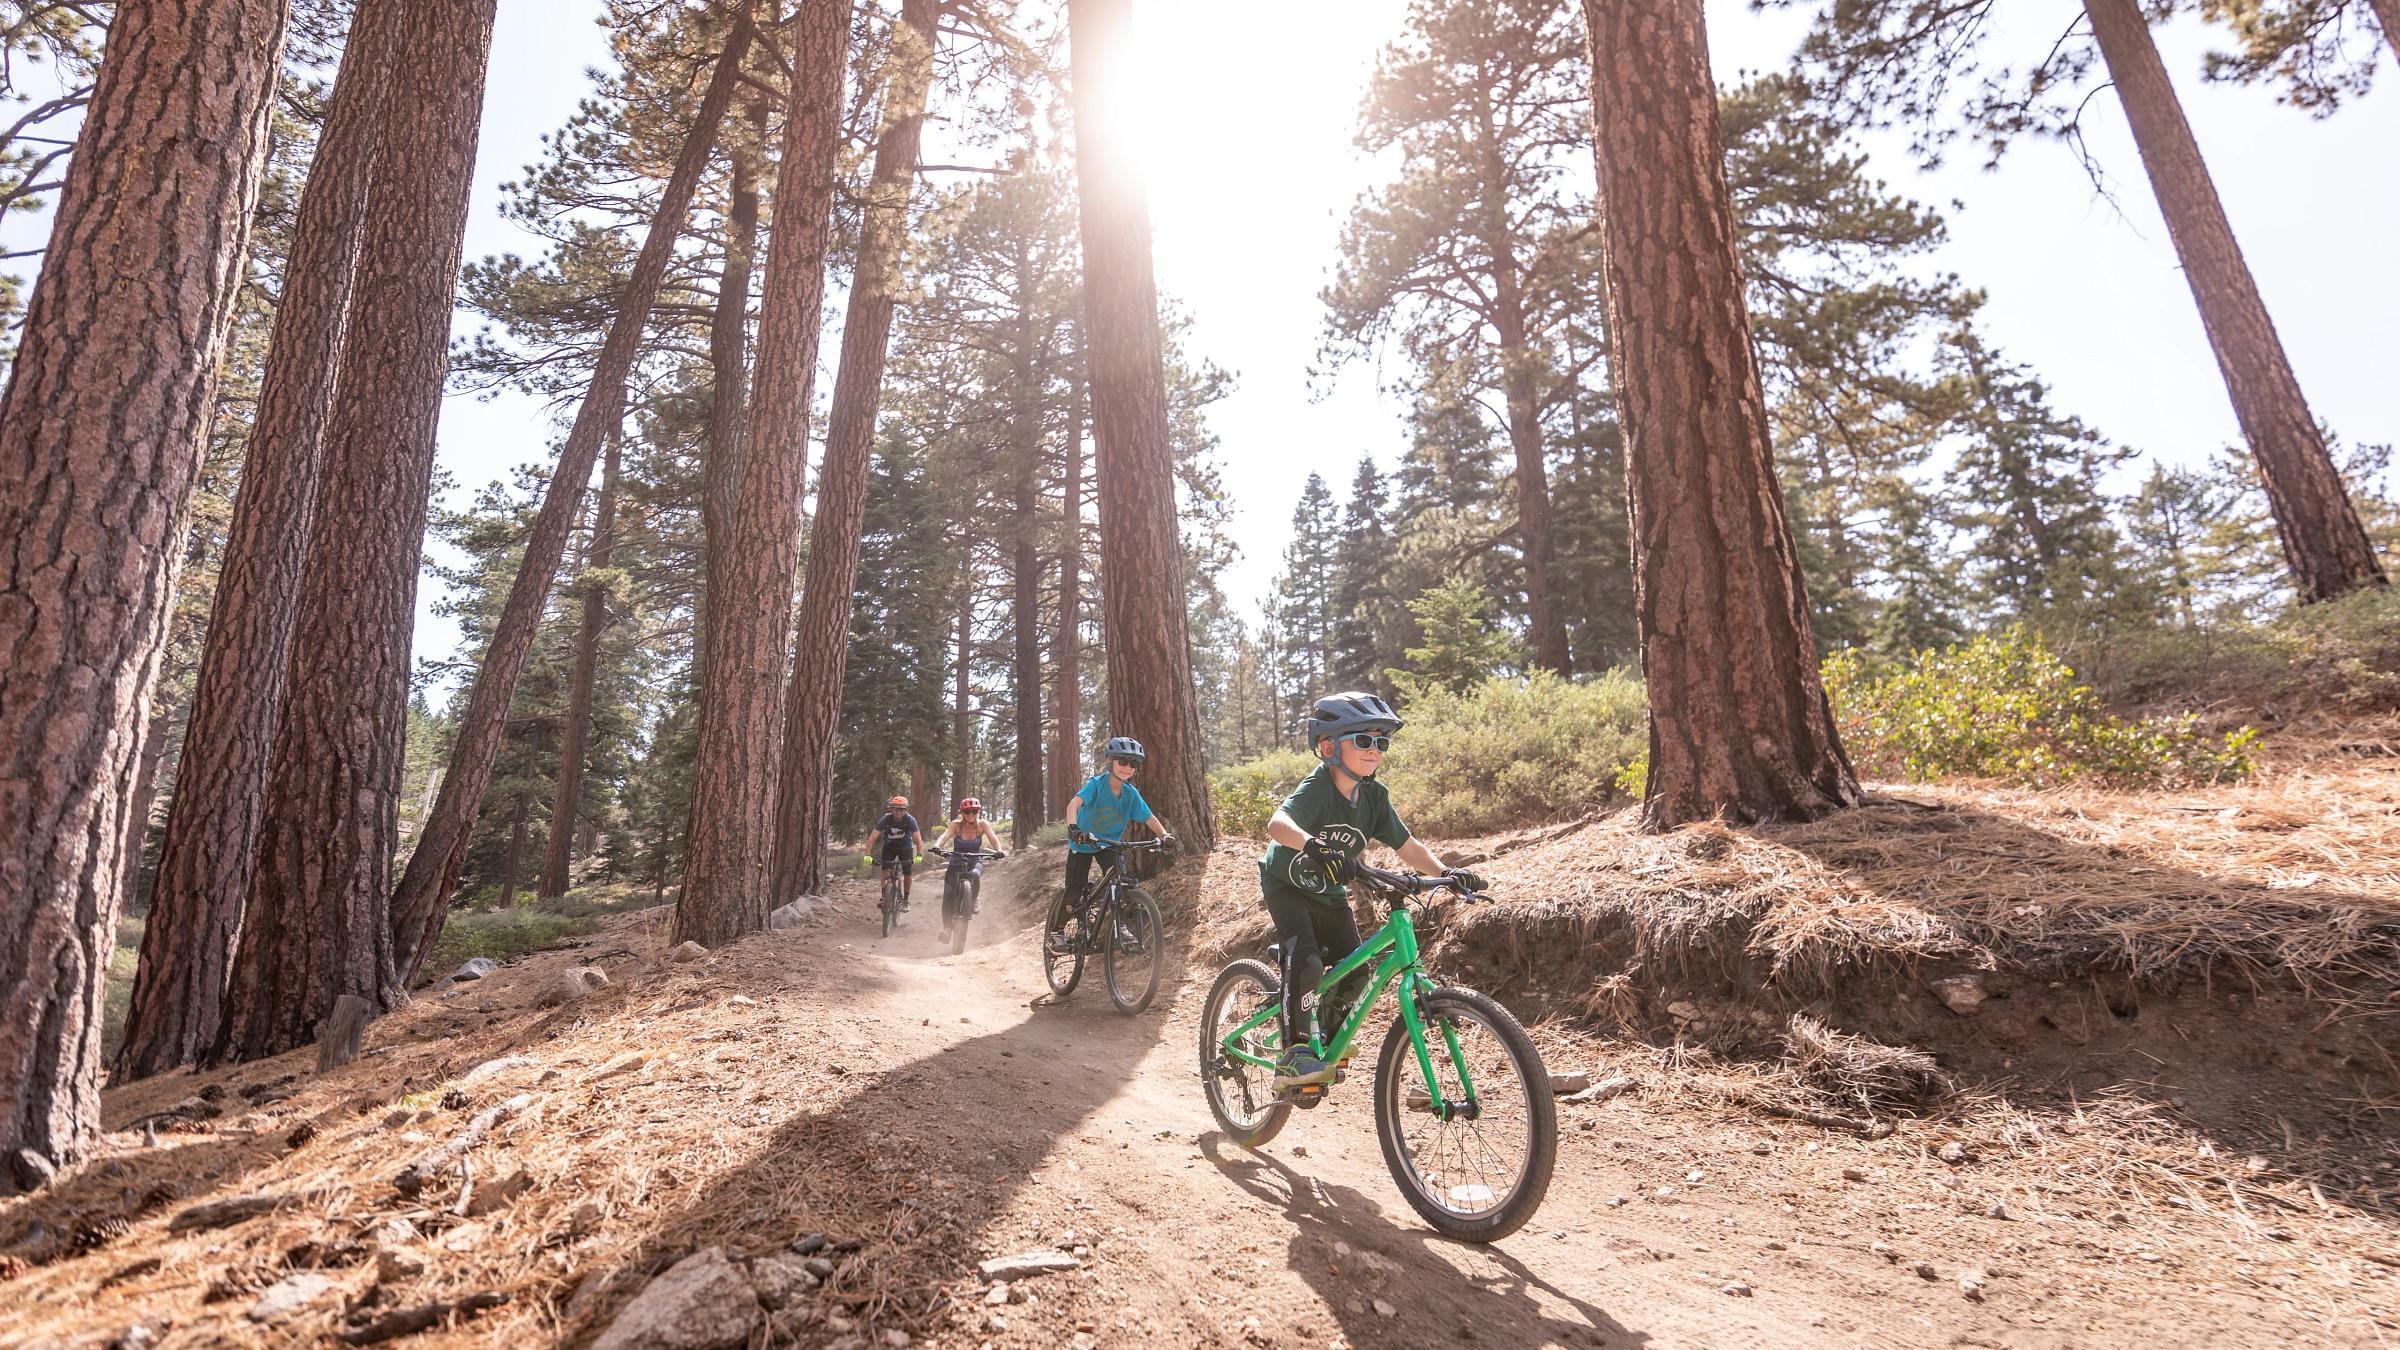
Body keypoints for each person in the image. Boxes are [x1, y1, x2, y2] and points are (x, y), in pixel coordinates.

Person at [1260, 692, 1485, 1092]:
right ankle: (1294, 1054)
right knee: (1307, 960)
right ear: (1329, 747)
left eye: (1382, 742)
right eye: (1363, 741)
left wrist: (1447, 872)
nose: (1375, 750)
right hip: (1288, 886)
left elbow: (1408, 846)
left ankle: (1324, 1035)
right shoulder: (1317, 789)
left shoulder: (1375, 798)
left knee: (1357, 970)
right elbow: (1278, 824)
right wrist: (1313, 845)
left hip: (1328, 892)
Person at [1052, 736, 1172, 953]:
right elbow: (1073, 804)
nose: (1127, 767)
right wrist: (1073, 828)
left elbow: (1149, 817)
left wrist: (1164, 835)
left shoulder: (1131, 794)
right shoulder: (1097, 785)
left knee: (1121, 883)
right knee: (1074, 890)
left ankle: (1120, 926)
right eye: (1123, 761)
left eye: (1133, 764)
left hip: (1109, 845)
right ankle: (1057, 933)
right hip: (1083, 843)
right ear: (1111, 761)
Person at [931, 797, 1005, 938]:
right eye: (967, 812)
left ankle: (974, 899)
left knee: (975, 874)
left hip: (974, 860)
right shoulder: (956, 825)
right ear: (962, 812)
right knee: (948, 895)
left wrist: (999, 850)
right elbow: (944, 836)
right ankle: (947, 929)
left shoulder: (982, 825)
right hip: (955, 862)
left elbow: (994, 839)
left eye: (974, 811)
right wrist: (937, 846)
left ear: (978, 812)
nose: (971, 815)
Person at [868, 795, 924, 907]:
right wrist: (867, 855)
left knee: (907, 872)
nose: (898, 812)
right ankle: (885, 896)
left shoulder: (910, 820)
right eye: (896, 809)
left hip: (906, 847)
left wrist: (919, 855)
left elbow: (917, 838)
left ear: (905, 810)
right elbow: (872, 837)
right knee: (885, 870)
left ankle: (905, 899)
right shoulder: (886, 818)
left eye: (901, 809)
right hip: (889, 847)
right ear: (892, 809)